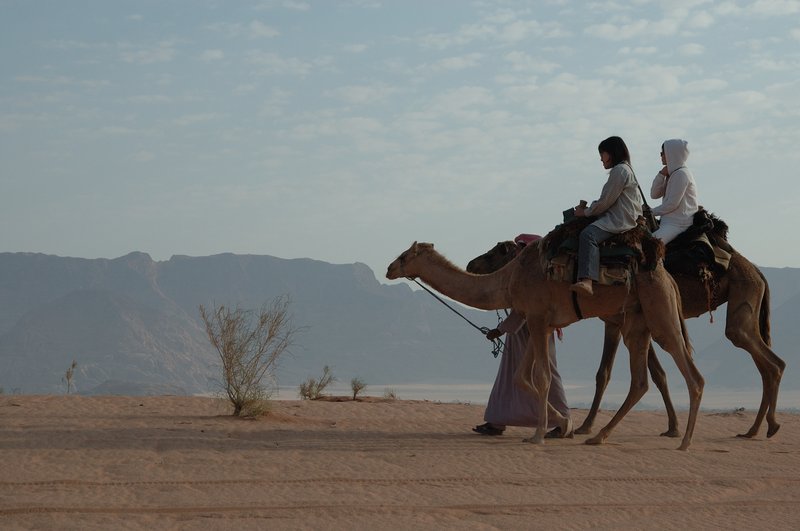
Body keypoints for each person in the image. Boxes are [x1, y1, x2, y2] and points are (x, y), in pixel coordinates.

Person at [473, 235, 571, 437]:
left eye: (518, 248)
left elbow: (525, 309)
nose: (515, 253)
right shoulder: (521, 276)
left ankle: (562, 421)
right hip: (519, 334)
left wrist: (500, 329)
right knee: (509, 375)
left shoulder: (535, 277)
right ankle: (496, 420)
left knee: (546, 372)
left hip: (539, 330)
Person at [571, 136, 643, 296]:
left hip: (619, 220)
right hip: (621, 216)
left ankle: (587, 280)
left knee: (587, 235)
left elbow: (605, 201)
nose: (601, 159)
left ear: (611, 153)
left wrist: (585, 212)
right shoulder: (626, 169)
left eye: (602, 154)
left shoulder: (620, 171)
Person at [650, 138, 699, 244]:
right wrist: (661, 174)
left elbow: (671, 204)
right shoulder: (673, 173)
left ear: (671, 154)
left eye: (662, 153)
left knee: (650, 245)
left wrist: (650, 212)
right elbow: (654, 194)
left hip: (677, 224)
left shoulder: (681, 174)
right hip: (668, 222)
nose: (661, 156)